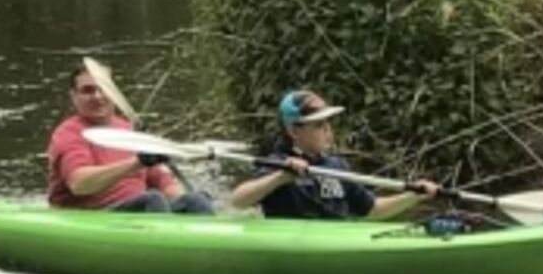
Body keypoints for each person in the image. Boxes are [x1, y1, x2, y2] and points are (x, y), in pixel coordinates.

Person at [229, 90, 436, 220]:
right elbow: (238, 201)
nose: (328, 130)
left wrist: (413, 196)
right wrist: (280, 178)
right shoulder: (279, 163)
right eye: (319, 125)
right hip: (295, 244)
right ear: (294, 131)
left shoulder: (337, 166)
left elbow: (372, 209)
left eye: (328, 124)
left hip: (333, 239)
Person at [47, 64, 214, 213]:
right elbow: (79, 185)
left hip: (137, 210)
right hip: (93, 214)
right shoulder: (69, 133)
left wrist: (185, 199)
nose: (98, 96)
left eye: (103, 89)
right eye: (87, 90)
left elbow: (163, 182)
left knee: (196, 200)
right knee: (153, 199)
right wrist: (136, 162)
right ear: (74, 96)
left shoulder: (130, 131)